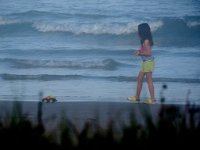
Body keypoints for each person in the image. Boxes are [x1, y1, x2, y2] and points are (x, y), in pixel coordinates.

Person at [128, 23, 156, 104]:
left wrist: (139, 54)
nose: (138, 32)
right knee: (139, 79)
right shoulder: (144, 40)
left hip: (148, 62)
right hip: (145, 63)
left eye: (139, 30)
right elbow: (145, 51)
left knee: (149, 80)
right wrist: (139, 51)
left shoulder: (146, 41)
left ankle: (152, 99)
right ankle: (137, 97)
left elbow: (148, 53)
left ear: (142, 31)